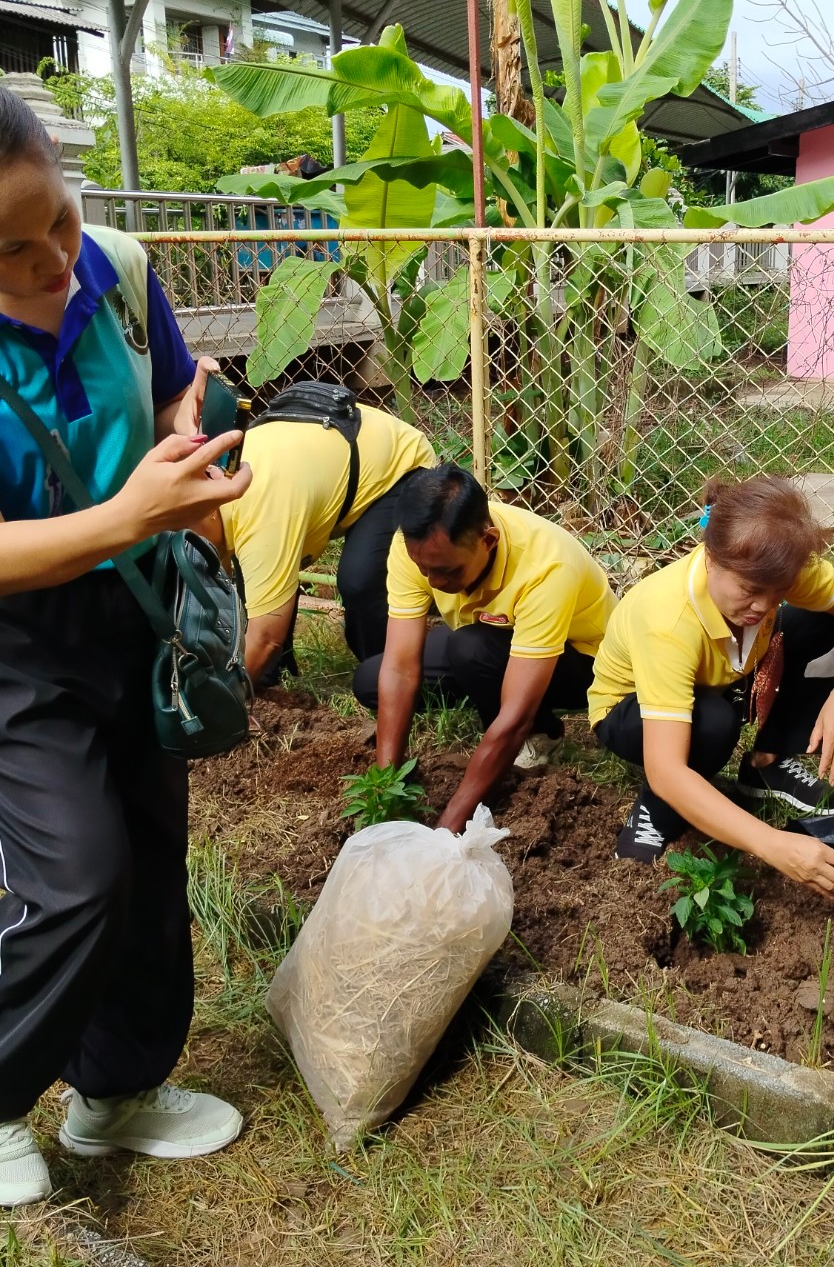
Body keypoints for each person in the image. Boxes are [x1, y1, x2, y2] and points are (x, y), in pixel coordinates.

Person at [0, 89, 249, 1208]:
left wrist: (189, 449)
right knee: (76, 876)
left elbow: (162, 407)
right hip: (16, 637)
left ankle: (117, 1091)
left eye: (57, 217)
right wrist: (121, 518)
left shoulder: (121, 266)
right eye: (11, 250)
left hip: (135, 609)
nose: (54, 259)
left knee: (149, 863)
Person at [587, 476, 834, 897]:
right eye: (750, 591)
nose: (763, 606)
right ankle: (652, 813)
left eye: (779, 593)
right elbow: (666, 770)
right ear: (711, 558)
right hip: (628, 711)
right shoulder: (667, 620)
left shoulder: (775, 565)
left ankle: (768, 761)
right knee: (713, 724)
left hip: (720, 680)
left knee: (823, 621)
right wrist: (773, 844)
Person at [355, 462, 616, 834]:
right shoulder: (418, 546)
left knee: (472, 649)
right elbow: (399, 669)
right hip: (488, 638)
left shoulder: (547, 566)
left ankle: (542, 736)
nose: (433, 581)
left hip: (582, 663)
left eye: (448, 571)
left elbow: (515, 715)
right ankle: (484, 698)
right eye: (423, 569)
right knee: (370, 680)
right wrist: (386, 790)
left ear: (489, 540)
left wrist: (445, 832)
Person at [194, 389, 435, 685]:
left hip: (398, 466)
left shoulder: (263, 512)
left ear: (209, 511)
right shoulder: (217, 485)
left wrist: (221, 704)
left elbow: (267, 637)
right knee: (257, 581)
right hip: (328, 456)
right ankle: (265, 677)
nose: (188, 547)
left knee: (359, 581)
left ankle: (393, 677)